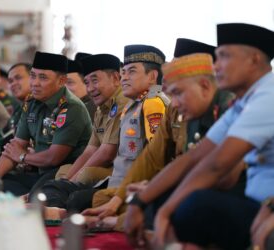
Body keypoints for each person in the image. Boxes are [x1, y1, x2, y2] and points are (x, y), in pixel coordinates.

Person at [82, 39, 235, 233]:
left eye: (179, 91)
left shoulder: (229, 108)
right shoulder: (178, 107)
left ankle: (118, 222)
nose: (175, 101)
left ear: (205, 83)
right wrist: (116, 201)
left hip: (215, 193)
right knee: (112, 198)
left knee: (182, 204)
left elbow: (216, 172)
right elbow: (151, 157)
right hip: (181, 183)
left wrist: (152, 192)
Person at [147, 23, 274, 250]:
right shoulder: (244, 101)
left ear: (254, 60)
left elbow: (217, 166)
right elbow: (196, 156)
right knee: (169, 198)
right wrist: (142, 201)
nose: (216, 66)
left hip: (266, 207)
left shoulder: (268, 96)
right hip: (258, 203)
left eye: (223, 56)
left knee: (193, 205)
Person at [40, 45, 170, 215]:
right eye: (123, 72)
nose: (124, 78)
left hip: (134, 187)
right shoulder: (134, 105)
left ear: (152, 76)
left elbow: (154, 158)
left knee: (76, 199)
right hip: (121, 184)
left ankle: (58, 214)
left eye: (131, 72)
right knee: (61, 188)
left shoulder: (153, 104)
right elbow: (92, 151)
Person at [0, 52, 92, 196]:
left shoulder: (71, 107)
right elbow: (15, 148)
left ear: (61, 81)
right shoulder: (31, 102)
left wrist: (23, 157)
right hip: (39, 171)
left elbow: (53, 158)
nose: (34, 83)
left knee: (35, 196)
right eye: (33, 76)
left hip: (64, 172)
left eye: (43, 77)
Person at [28, 53, 128, 207]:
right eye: (87, 82)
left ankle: (51, 206)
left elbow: (106, 153)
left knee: (85, 175)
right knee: (63, 172)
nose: (90, 89)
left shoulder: (122, 103)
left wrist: (70, 183)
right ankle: (49, 201)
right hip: (107, 168)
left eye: (95, 81)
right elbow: (90, 150)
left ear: (115, 78)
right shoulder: (102, 107)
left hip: (122, 172)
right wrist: (67, 181)